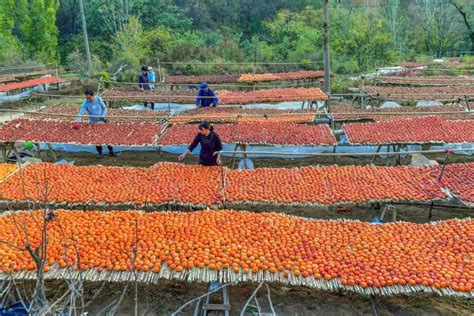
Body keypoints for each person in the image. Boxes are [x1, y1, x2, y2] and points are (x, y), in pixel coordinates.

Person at [73, 88, 116, 159]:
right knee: (97, 137)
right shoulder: (85, 103)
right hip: (93, 122)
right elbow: (81, 113)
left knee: (107, 136)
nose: (88, 100)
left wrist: (102, 116)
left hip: (102, 120)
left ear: (93, 96)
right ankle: (100, 153)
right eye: (87, 98)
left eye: (89, 98)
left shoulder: (98, 99)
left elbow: (104, 108)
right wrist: (77, 121)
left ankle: (111, 151)